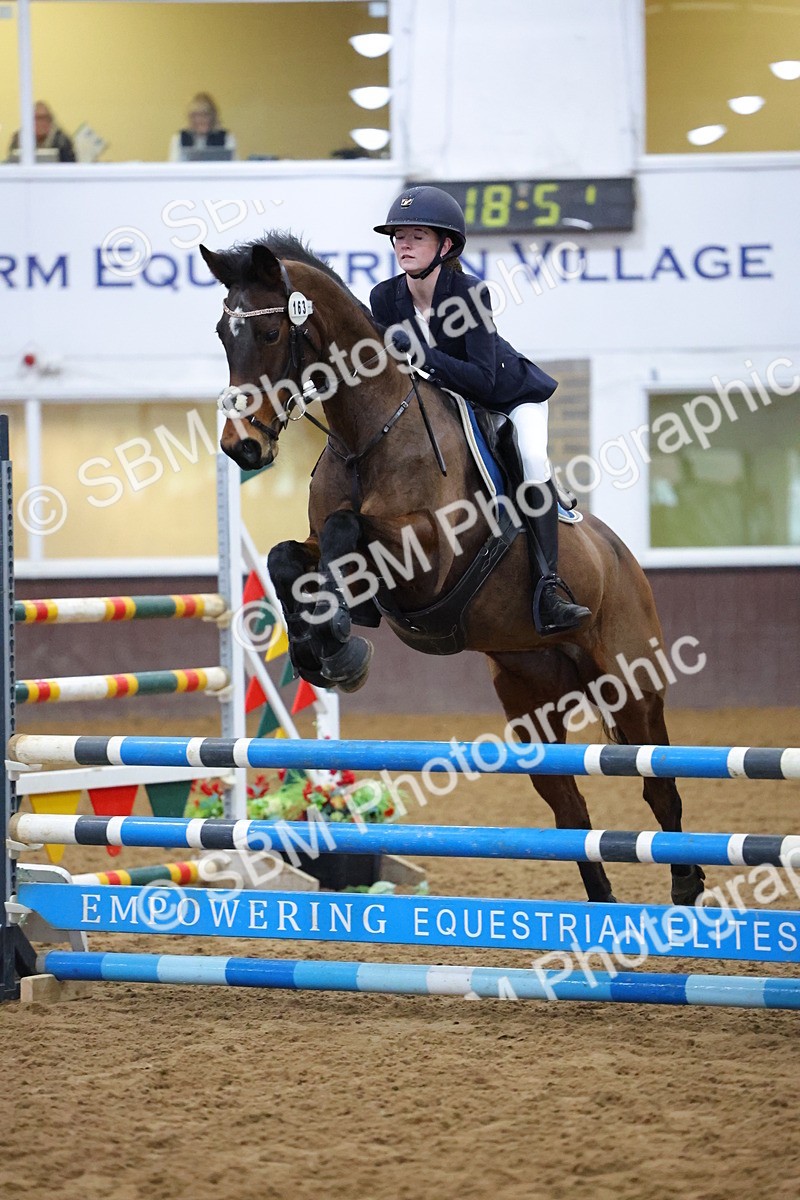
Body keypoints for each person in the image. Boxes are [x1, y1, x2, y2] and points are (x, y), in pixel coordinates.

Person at [370, 184, 591, 637]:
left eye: (416, 237)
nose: (403, 246)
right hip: (449, 403)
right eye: (398, 237)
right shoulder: (384, 299)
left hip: (509, 398)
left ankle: (549, 588)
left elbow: (483, 381)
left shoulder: (469, 293)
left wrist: (421, 353)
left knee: (530, 458)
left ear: (444, 246)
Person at [169, 93, 236, 162]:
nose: (200, 120)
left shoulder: (226, 138)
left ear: (213, 117)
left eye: (205, 115)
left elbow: (234, 167)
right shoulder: (179, 138)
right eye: (195, 116)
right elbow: (174, 167)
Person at [7, 101, 75, 162]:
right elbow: (12, 165)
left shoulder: (62, 141)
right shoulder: (19, 139)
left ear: (50, 120)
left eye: (43, 118)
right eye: (36, 118)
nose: (40, 123)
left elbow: (70, 169)